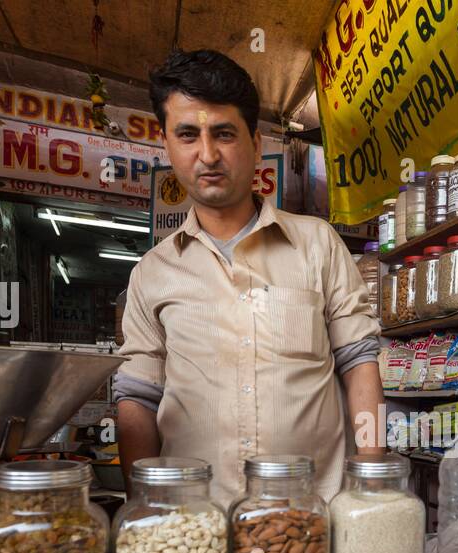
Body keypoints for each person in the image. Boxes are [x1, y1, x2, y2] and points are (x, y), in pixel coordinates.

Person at [115, 49, 383, 507]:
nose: (208, 155)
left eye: (224, 133)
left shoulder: (317, 244)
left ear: (256, 144)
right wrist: (146, 509)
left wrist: (372, 483)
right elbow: (138, 398)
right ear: (167, 145)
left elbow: (359, 362)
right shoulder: (152, 274)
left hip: (309, 521)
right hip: (197, 527)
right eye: (188, 135)